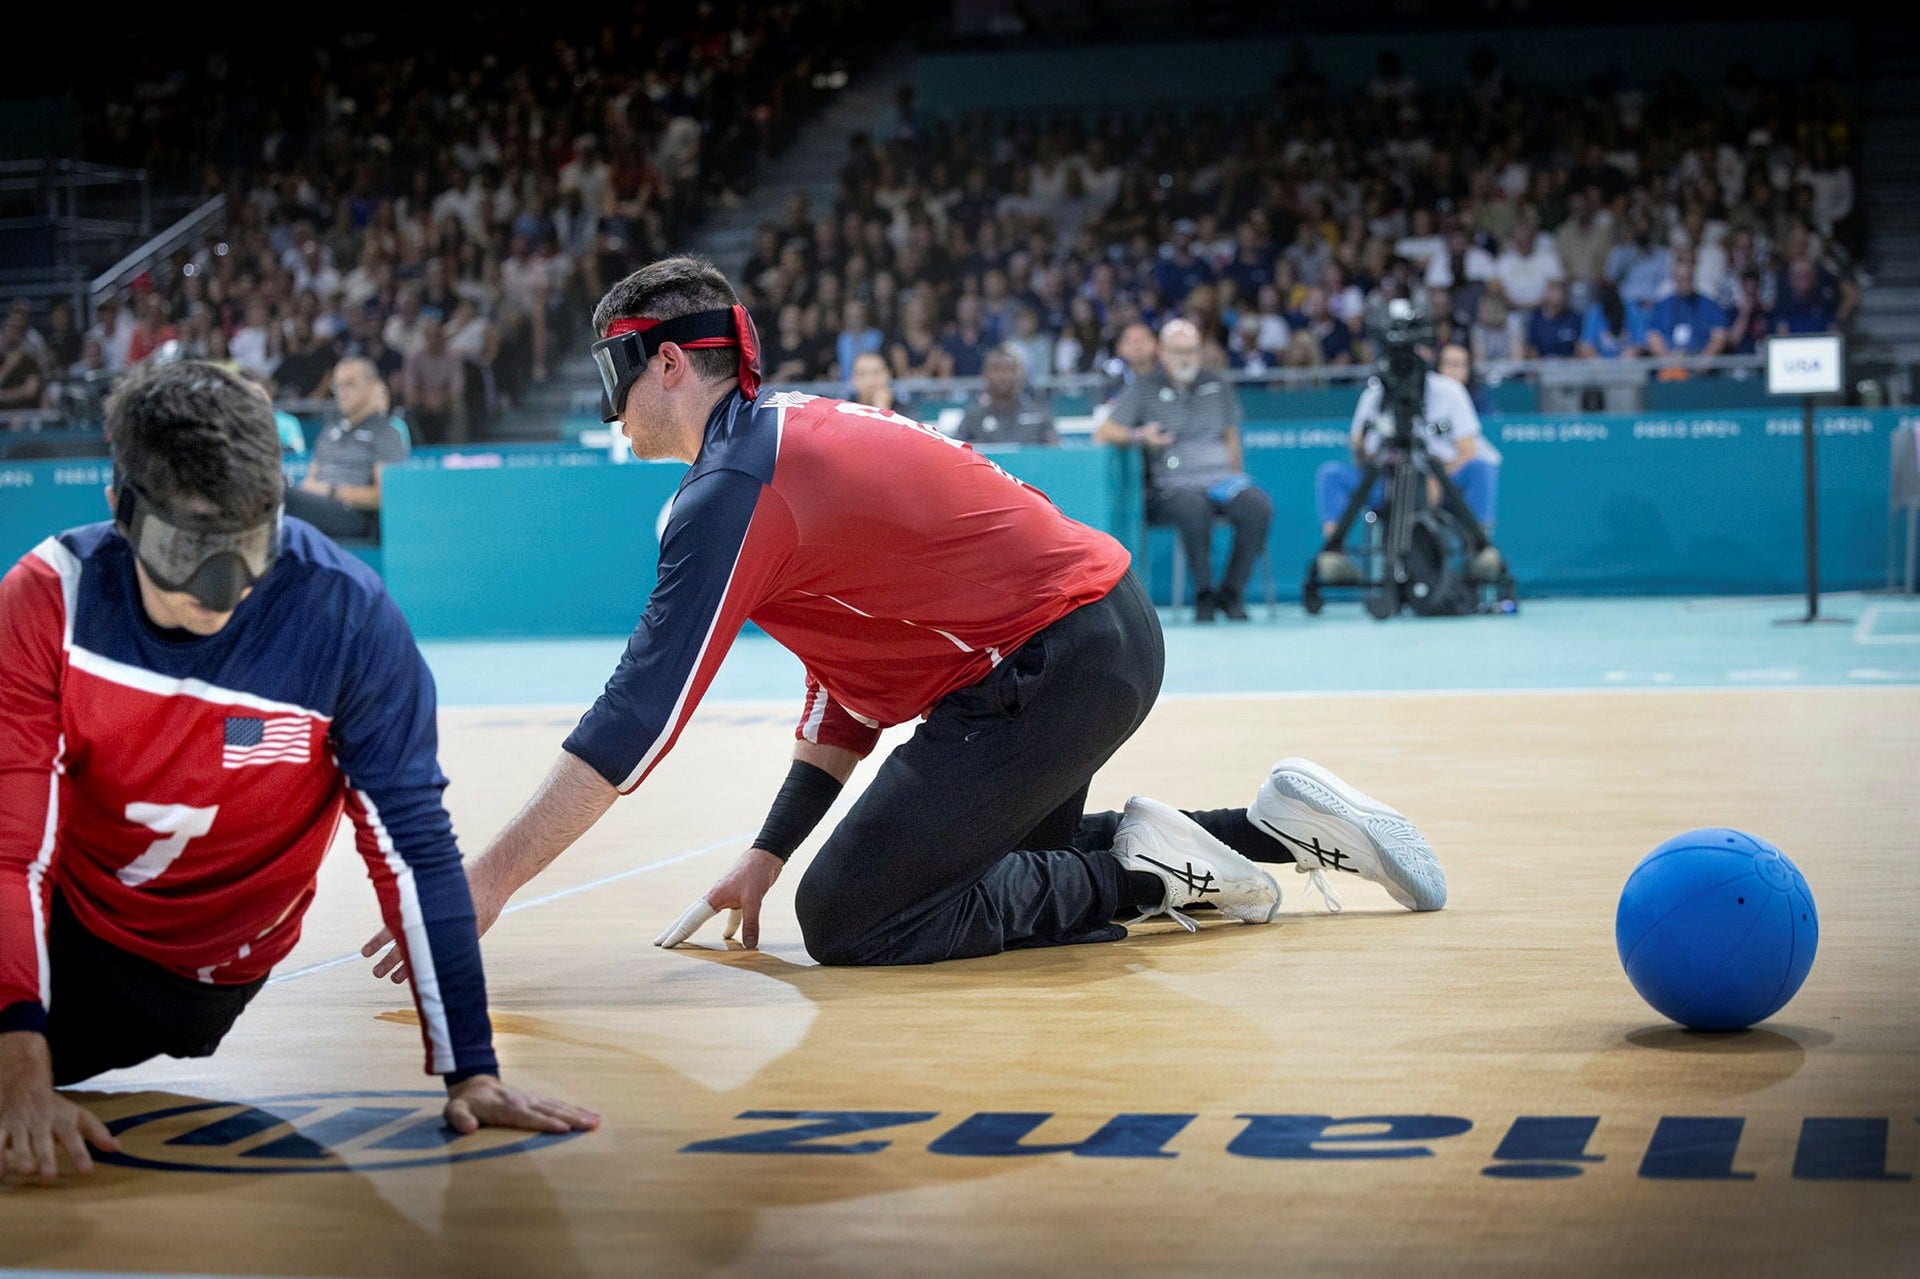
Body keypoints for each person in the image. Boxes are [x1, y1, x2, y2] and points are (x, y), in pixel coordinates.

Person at [360, 256, 1445, 991]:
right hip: (1084, 646)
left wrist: (479, 885)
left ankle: (1153, 874)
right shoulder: (781, 444)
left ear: (669, 363)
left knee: (854, 918)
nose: (610, 408)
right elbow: (845, 683)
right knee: (990, 865)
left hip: (1051, 665)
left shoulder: (737, 485)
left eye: (613, 375)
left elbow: (638, 716)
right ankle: (1280, 828)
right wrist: (766, 849)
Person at [0, 361, 596, 1181]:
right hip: (65, 913)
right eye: (184, 549)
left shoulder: (346, 617)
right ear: (120, 510)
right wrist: (16, 1075)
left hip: (191, 971)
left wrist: (473, 1067)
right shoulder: (49, 599)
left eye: (246, 546)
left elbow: (412, 847)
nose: (221, 592)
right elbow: (12, 854)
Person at [1095, 319, 1274, 623]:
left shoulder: (1217, 384)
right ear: (1162, 353)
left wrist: (1236, 476)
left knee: (1258, 506)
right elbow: (1104, 432)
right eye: (1177, 351)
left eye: (1191, 350)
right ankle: (1204, 595)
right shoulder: (1144, 387)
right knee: (1193, 509)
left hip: (1221, 481)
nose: (1185, 357)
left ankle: (1231, 593)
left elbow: (1231, 436)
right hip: (1172, 486)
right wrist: (1141, 436)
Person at [1314, 339, 1498, 582]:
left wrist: (1436, 480)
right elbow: (1361, 455)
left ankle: (1479, 551)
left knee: (1481, 468)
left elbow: (1467, 450)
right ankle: (1334, 554)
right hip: (1387, 482)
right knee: (1332, 474)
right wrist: (1360, 448)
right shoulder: (1375, 394)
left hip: (1442, 482)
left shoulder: (1449, 391)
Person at [281, 357, 408, 542]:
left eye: (350, 384)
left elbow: (385, 495)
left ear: (371, 387)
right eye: (337, 386)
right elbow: (311, 479)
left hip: (354, 515)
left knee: (282, 496)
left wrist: (332, 492)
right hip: (318, 506)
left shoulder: (386, 434)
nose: (342, 392)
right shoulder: (329, 430)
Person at [954, 347, 1057, 446]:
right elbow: (958, 456)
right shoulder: (972, 419)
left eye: (1009, 369)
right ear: (984, 374)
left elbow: (1054, 456)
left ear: (1020, 374)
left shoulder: (1040, 415)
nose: (1002, 375)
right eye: (996, 369)